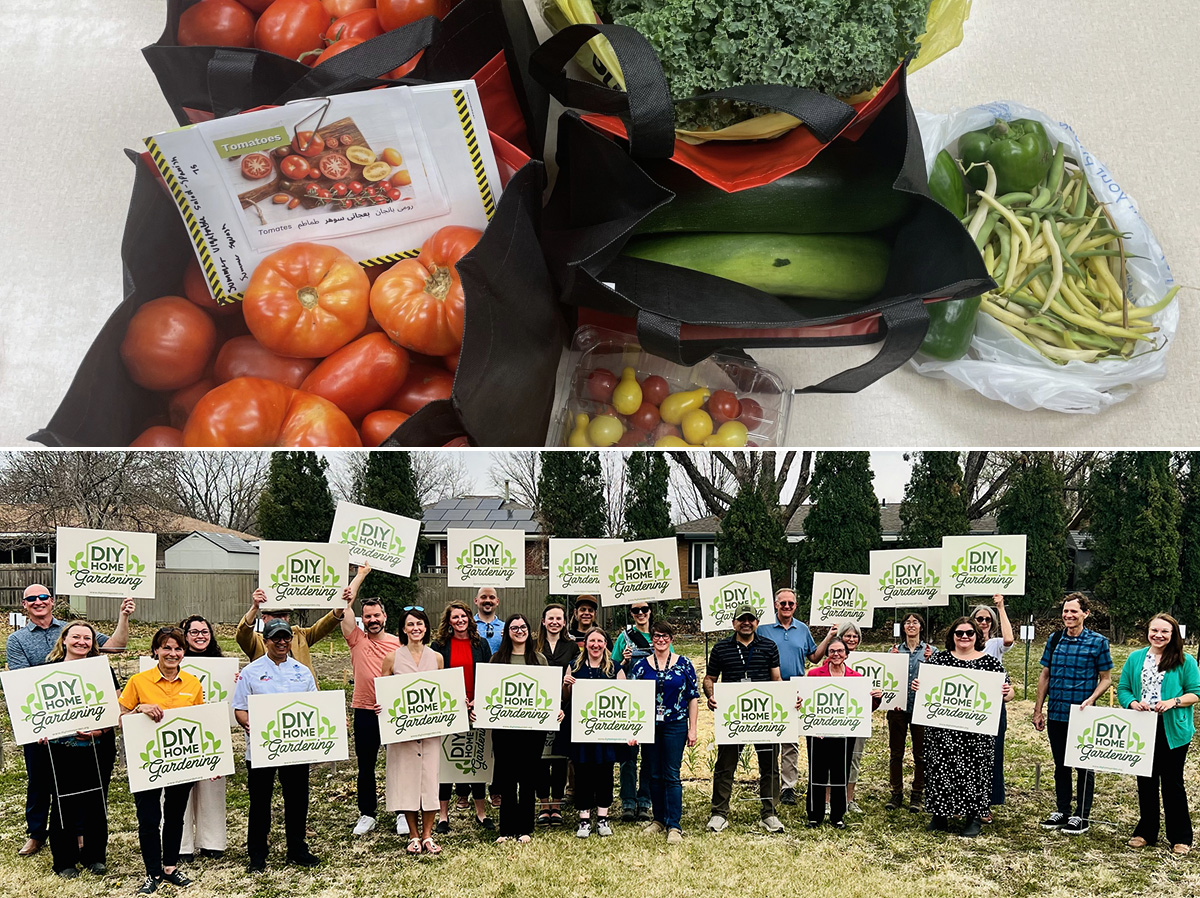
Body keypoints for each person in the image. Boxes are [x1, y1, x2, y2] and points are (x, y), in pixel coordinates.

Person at [5, 585, 133, 859]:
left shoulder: (76, 628)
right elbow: (21, 683)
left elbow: (116, 647)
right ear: (24, 605)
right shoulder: (17, 640)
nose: (38, 602)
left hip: (87, 723)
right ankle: (37, 834)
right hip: (43, 717)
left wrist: (123, 616)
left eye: (43, 598)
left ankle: (81, 834)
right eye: (32, 599)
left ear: (52, 602)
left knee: (84, 783)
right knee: (40, 780)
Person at [232, 619, 321, 873]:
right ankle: (257, 855)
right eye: (276, 638)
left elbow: (315, 707)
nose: (282, 642)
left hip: (295, 749)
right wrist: (248, 724)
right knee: (260, 802)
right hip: (262, 749)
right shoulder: (251, 671)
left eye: (286, 638)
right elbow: (239, 708)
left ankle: (297, 849)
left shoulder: (302, 671)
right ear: (266, 640)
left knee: (297, 799)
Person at [119, 627, 204, 894]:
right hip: (147, 761)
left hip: (181, 761)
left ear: (184, 652)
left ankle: (170, 867)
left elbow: (201, 723)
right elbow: (119, 717)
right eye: (166, 648)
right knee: (149, 817)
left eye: (177, 648)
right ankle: (152, 871)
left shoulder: (193, 683)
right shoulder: (138, 681)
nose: (172, 653)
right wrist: (138, 708)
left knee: (176, 815)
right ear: (156, 650)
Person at [919, 618, 1013, 838]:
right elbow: (925, 687)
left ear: (976, 636)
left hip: (976, 733)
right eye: (959, 633)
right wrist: (918, 686)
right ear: (952, 635)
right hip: (943, 730)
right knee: (941, 769)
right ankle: (939, 816)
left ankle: (973, 818)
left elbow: (1009, 695)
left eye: (969, 633)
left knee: (974, 772)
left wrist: (1006, 692)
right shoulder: (939, 660)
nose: (964, 637)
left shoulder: (990, 663)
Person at [1117, 613, 1200, 855]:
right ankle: (1146, 831)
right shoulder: (1135, 658)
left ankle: (1180, 836)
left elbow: (1195, 692)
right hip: (1142, 726)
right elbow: (1123, 689)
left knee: (1173, 783)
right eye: (1155, 630)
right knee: (1145, 780)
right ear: (1148, 631)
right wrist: (1132, 703)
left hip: (1173, 729)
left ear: (1173, 634)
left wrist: (1173, 701)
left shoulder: (1185, 661)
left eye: (1165, 631)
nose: (1158, 635)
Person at [1033, 592, 1113, 836]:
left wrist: (1092, 699)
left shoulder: (1098, 642)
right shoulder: (1055, 639)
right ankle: (1063, 810)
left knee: (1084, 766)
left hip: (1082, 714)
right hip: (1057, 711)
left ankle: (1082, 815)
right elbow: (1045, 675)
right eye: (1066, 611)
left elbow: (1106, 679)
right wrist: (1038, 709)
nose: (1068, 615)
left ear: (1085, 614)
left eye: (1074, 611)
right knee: (1061, 765)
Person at [43, 621, 119, 879]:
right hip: (60, 750)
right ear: (64, 639)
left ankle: (95, 857)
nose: (81, 642)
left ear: (93, 644)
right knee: (63, 804)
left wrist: (99, 731)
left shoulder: (102, 670)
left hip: (96, 748)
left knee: (96, 803)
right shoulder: (46, 672)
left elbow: (115, 709)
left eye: (87, 638)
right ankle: (64, 861)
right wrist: (38, 733)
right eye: (76, 637)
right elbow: (35, 714)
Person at [703, 604, 785, 834]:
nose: (746, 623)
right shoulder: (721, 648)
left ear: (757, 623)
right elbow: (709, 678)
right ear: (734, 623)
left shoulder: (769, 646)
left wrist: (788, 700)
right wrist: (711, 696)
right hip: (733, 716)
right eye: (742, 619)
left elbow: (776, 680)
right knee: (724, 766)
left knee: (770, 765)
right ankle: (719, 813)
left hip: (763, 715)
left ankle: (769, 813)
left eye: (750, 619)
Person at [339, 563, 405, 837]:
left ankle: (402, 812)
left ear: (385, 617)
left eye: (376, 615)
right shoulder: (355, 638)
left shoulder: (398, 643)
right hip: (364, 711)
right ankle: (367, 814)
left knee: (398, 764)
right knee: (365, 766)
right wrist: (360, 576)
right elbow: (343, 605)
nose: (372, 620)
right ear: (362, 620)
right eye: (367, 616)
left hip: (393, 712)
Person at [490, 614, 561, 844]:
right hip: (504, 729)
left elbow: (547, 693)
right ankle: (506, 829)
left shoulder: (538, 659)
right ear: (507, 632)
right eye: (514, 627)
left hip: (532, 730)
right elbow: (489, 693)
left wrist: (555, 710)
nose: (519, 631)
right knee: (507, 779)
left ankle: (525, 829)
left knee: (528, 778)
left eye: (522, 627)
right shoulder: (497, 659)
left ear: (528, 631)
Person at [381, 608, 445, 855]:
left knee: (430, 780)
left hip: (430, 730)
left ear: (426, 628)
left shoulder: (436, 658)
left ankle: (428, 835)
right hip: (403, 731)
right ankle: (414, 835)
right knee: (407, 781)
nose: (416, 628)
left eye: (420, 623)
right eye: (410, 624)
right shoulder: (392, 658)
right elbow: (384, 692)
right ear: (403, 629)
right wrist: (381, 706)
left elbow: (443, 692)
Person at [629, 620, 699, 845]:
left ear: (671, 638)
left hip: (675, 724)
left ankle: (674, 825)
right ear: (652, 638)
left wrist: (693, 728)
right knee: (653, 774)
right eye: (657, 636)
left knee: (671, 774)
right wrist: (632, 728)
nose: (660, 640)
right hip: (648, 725)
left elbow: (693, 697)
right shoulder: (641, 666)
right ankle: (658, 819)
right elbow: (631, 698)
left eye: (665, 636)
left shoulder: (684, 664)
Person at [758, 587, 827, 805]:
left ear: (796, 606)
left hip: (794, 689)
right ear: (775, 605)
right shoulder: (763, 629)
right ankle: (770, 783)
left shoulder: (802, 629)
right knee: (770, 738)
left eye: (791, 603)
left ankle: (789, 787)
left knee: (790, 741)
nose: (787, 607)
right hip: (769, 689)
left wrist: (829, 637)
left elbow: (814, 657)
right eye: (783, 603)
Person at [431, 602, 494, 833]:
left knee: (476, 758)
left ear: (470, 618)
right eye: (455, 617)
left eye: (464, 616)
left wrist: (478, 700)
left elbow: (488, 675)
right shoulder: (439, 646)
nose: (460, 620)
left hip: (476, 709)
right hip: (449, 710)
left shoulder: (481, 644)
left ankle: (481, 812)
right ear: (448, 621)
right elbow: (434, 679)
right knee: (447, 761)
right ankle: (443, 816)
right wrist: (455, 701)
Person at [805, 638, 882, 828]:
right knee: (817, 774)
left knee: (841, 773)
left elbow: (864, 709)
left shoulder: (857, 678)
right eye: (832, 651)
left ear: (847, 654)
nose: (836, 654)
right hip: (818, 733)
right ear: (827, 654)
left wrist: (876, 699)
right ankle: (815, 816)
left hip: (845, 733)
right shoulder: (814, 675)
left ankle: (837, 815)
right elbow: (805, 703)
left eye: (840, 651)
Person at [562, 627, 627, 838]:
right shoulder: (574, 666)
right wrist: (566, 685)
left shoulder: (615, 669)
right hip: (581, 730)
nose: (596, 645)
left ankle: (602, 818)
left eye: (600, 641)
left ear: (606, 644)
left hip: (606, 732)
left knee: (605, 774)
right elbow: (565, 698)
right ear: (585, 644)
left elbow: (625, 699)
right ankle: (583, 819)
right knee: (582, 774)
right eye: (592, 641)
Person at [176, 615, 228, 861]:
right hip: (179, 732)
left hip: (212, 731)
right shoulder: (172, 661)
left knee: (212, 787)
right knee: (177, 789)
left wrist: (235, 682)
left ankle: (212, 842)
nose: (200, 636)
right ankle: (180, 844)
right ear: (184, 636)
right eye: (194, 632)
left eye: (204, 631)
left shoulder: (222, 664)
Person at [236, 587, 344, 685]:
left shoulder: (299, 635)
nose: (282, 620)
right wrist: (255, 607)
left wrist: (339, 607)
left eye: (285, 616)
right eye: (277, 616)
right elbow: (243, 634)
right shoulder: (257, 641)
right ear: (264, 618)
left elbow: (322, 627)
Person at [972, 594, 1015, 823]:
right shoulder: (963, 642)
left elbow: (1008, 638)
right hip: (968, 707)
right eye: (979, 619)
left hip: (992, 707)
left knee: (992, 756)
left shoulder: (995, 644)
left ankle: (986, 803)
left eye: (987, 619)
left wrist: (999, 606)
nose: (984, 623)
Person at [535, 603, 579, 826]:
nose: (554, 622)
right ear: (543, 621)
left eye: (558, 619)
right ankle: (543, 805)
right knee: (540, 758)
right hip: (536, 708)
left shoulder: (571, 647)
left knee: (560, 757)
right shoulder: (533, 645)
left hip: (564, 706)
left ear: (564, 622)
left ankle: (557, 804)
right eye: (550, 618)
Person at [611, 602, 656, 822]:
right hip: (629, 702)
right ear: (631, 613)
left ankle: (645, 802)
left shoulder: (659, 636)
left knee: (649, 756)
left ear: (650, 612)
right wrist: (624, 660)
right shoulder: (624, 637)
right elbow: (612, 668)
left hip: (654, 701)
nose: (640, 614)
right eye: (636, 610)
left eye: (644, 610)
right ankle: (628, 802)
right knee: (628, 756)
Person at [886, 612, 934, 811]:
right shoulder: (894, 650)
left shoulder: (932, 651)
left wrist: (933, 662)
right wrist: (891, 660)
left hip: (921, 709)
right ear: (903, 627)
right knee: (896, 753)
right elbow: (886, 676)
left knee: (921, 755)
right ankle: (896, 793)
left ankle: (917, 794)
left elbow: (937, 680)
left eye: (915, 622)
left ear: (921, 627)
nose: (911, 625)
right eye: (908, 622)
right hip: (898, 707)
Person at [836, 621, 866, 814]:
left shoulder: (867, 660)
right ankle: (831, 799)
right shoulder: (832, 658)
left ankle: (849, 799)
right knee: (834, 759)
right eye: (848, 636)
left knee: (854, 758)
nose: (851, 639)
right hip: (837, 717)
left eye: (855, 636)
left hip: (858, 717)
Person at [474, 587, 503, 654]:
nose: (487, 600)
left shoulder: (506, 628)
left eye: (492, 597)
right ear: (476, 601)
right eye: (483, 597)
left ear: (497, 601)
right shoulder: (467, 626)